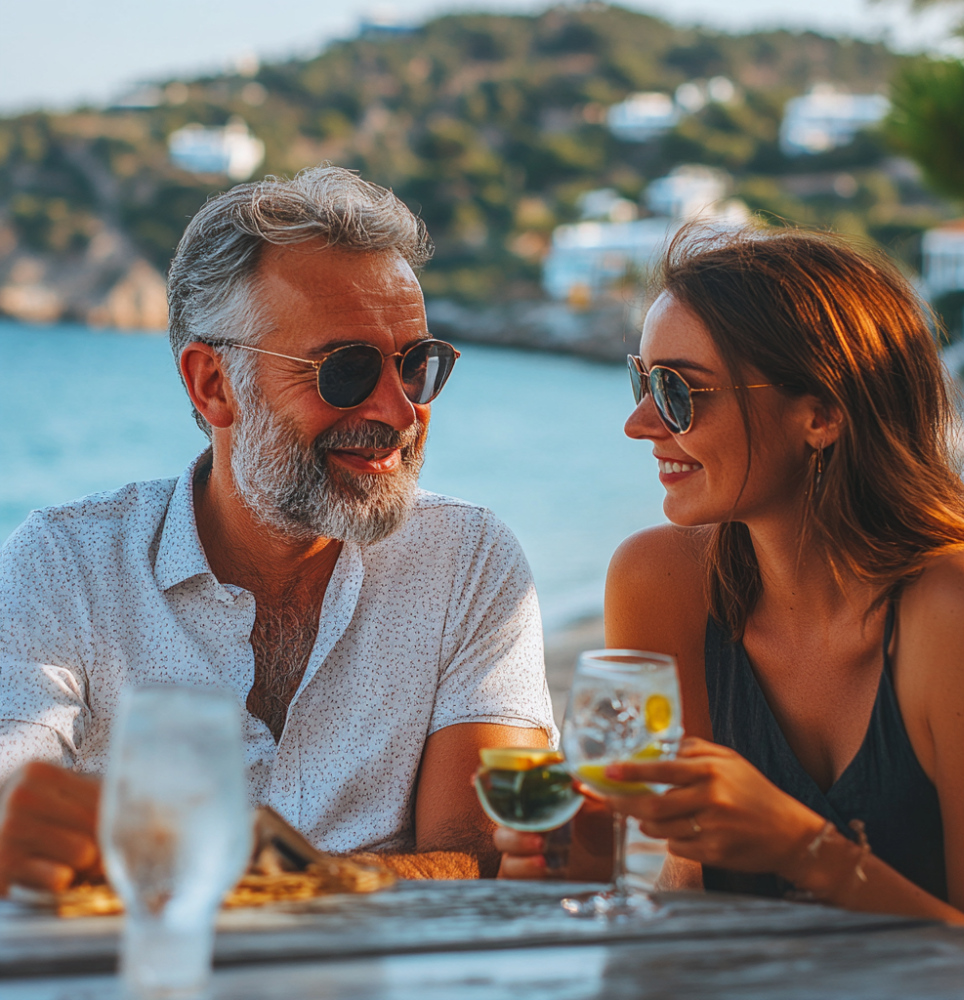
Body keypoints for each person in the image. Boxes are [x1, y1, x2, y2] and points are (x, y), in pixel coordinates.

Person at [0, 165, 556, 894]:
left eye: (416, 365)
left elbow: (484, 861)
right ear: (213, 384)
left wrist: (254, 874)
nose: (398, 411)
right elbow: (17, 809)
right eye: (346, 370)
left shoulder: (468, 562)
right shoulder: (67, 566)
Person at [497, 226, 964, 929]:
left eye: (678, 391)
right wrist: (586, 857)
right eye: (642, 381)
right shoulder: (662, 580)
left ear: (820, 413)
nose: (639, 424)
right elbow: (686, 886)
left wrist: (803, 847)